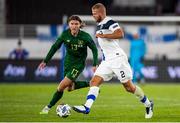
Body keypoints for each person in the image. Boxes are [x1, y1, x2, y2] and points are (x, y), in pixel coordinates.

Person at [73, 3, 154, 119]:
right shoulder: (100, 25)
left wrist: (104, 35)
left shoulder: (109, 21)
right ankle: (86, 107)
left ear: (101, 13)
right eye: (92, 14)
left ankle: (148, 104)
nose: (93, 16)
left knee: (129, 87)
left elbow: (120, 33)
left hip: (118, 59)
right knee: (94, 81)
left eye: (95, 14)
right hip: (107, 61)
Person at [39, 15, 98, 114]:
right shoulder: (65, 35)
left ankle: (47, 107)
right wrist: (45, 61)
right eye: (72, 24)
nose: (74, 26)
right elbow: (54, 47)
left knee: (61, 87)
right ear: (68, 25)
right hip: (67, 63)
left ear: (79, 25)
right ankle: (91, 84)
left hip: (78, 65)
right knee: (70, 88)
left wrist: (95, 63)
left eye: (76, 24)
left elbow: (94, 49)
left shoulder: (85, 36)